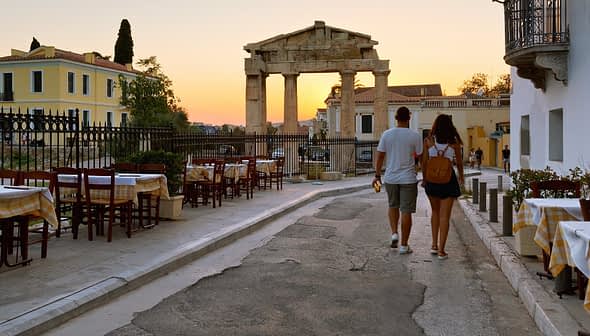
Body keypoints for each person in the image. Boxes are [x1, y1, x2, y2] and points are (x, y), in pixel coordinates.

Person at [373, 106, 423, 254]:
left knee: (393, 206)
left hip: (390, 178)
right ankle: (404, 245)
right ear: (409, 117)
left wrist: (377, 175)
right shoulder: (415, 136)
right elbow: (421, 158)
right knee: (406, 211)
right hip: (408, 178)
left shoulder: (386, 135)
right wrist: (425, 175)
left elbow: (380, 156)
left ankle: (394, 233)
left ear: (396, 118)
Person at [421, 114, 464, 260]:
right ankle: (441, 250)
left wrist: (424, 179)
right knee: (445, 216)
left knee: (435, 212)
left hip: (432, 180)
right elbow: (459, 163)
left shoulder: (428, 141)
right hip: (448, 180)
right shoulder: (454, 142)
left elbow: (425, 162)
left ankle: (433, 245)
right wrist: (462, 177)